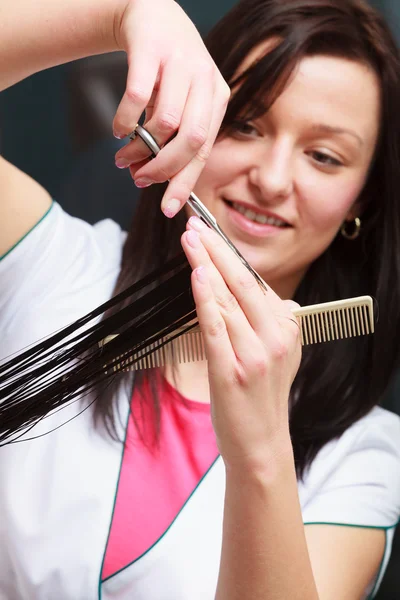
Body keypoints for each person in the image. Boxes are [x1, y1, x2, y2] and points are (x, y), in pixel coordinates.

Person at [0, 0, 400, 598]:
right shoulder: (51, 265)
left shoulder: (365, 459)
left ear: (360, 202)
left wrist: (261, 449)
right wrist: (122, 13)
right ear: (194, 119)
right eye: (245, 123)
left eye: (323, 156)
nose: (271, 178)